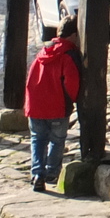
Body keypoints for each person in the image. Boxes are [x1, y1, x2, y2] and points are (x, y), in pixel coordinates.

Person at [25, 15, 82, 192]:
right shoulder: (68, 55)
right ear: (73, 35)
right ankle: (52, 173)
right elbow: (72, 83)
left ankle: (37, 175)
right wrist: (72, 101)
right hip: (57, 106)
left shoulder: (42, 53)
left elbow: (30, 80)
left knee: (37, 140)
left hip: (36, 106)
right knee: (57, 141)